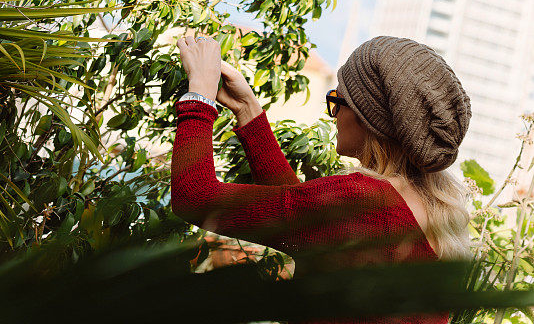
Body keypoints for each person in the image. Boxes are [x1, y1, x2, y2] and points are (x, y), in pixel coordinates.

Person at [171, 33, 472, 324]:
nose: (334, 114)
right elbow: (305, 222)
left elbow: (195, 197)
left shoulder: (361, 202)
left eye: (338, 100)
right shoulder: (428, 211)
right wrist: (247, 109)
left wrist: (199, 93)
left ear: (368, 116)